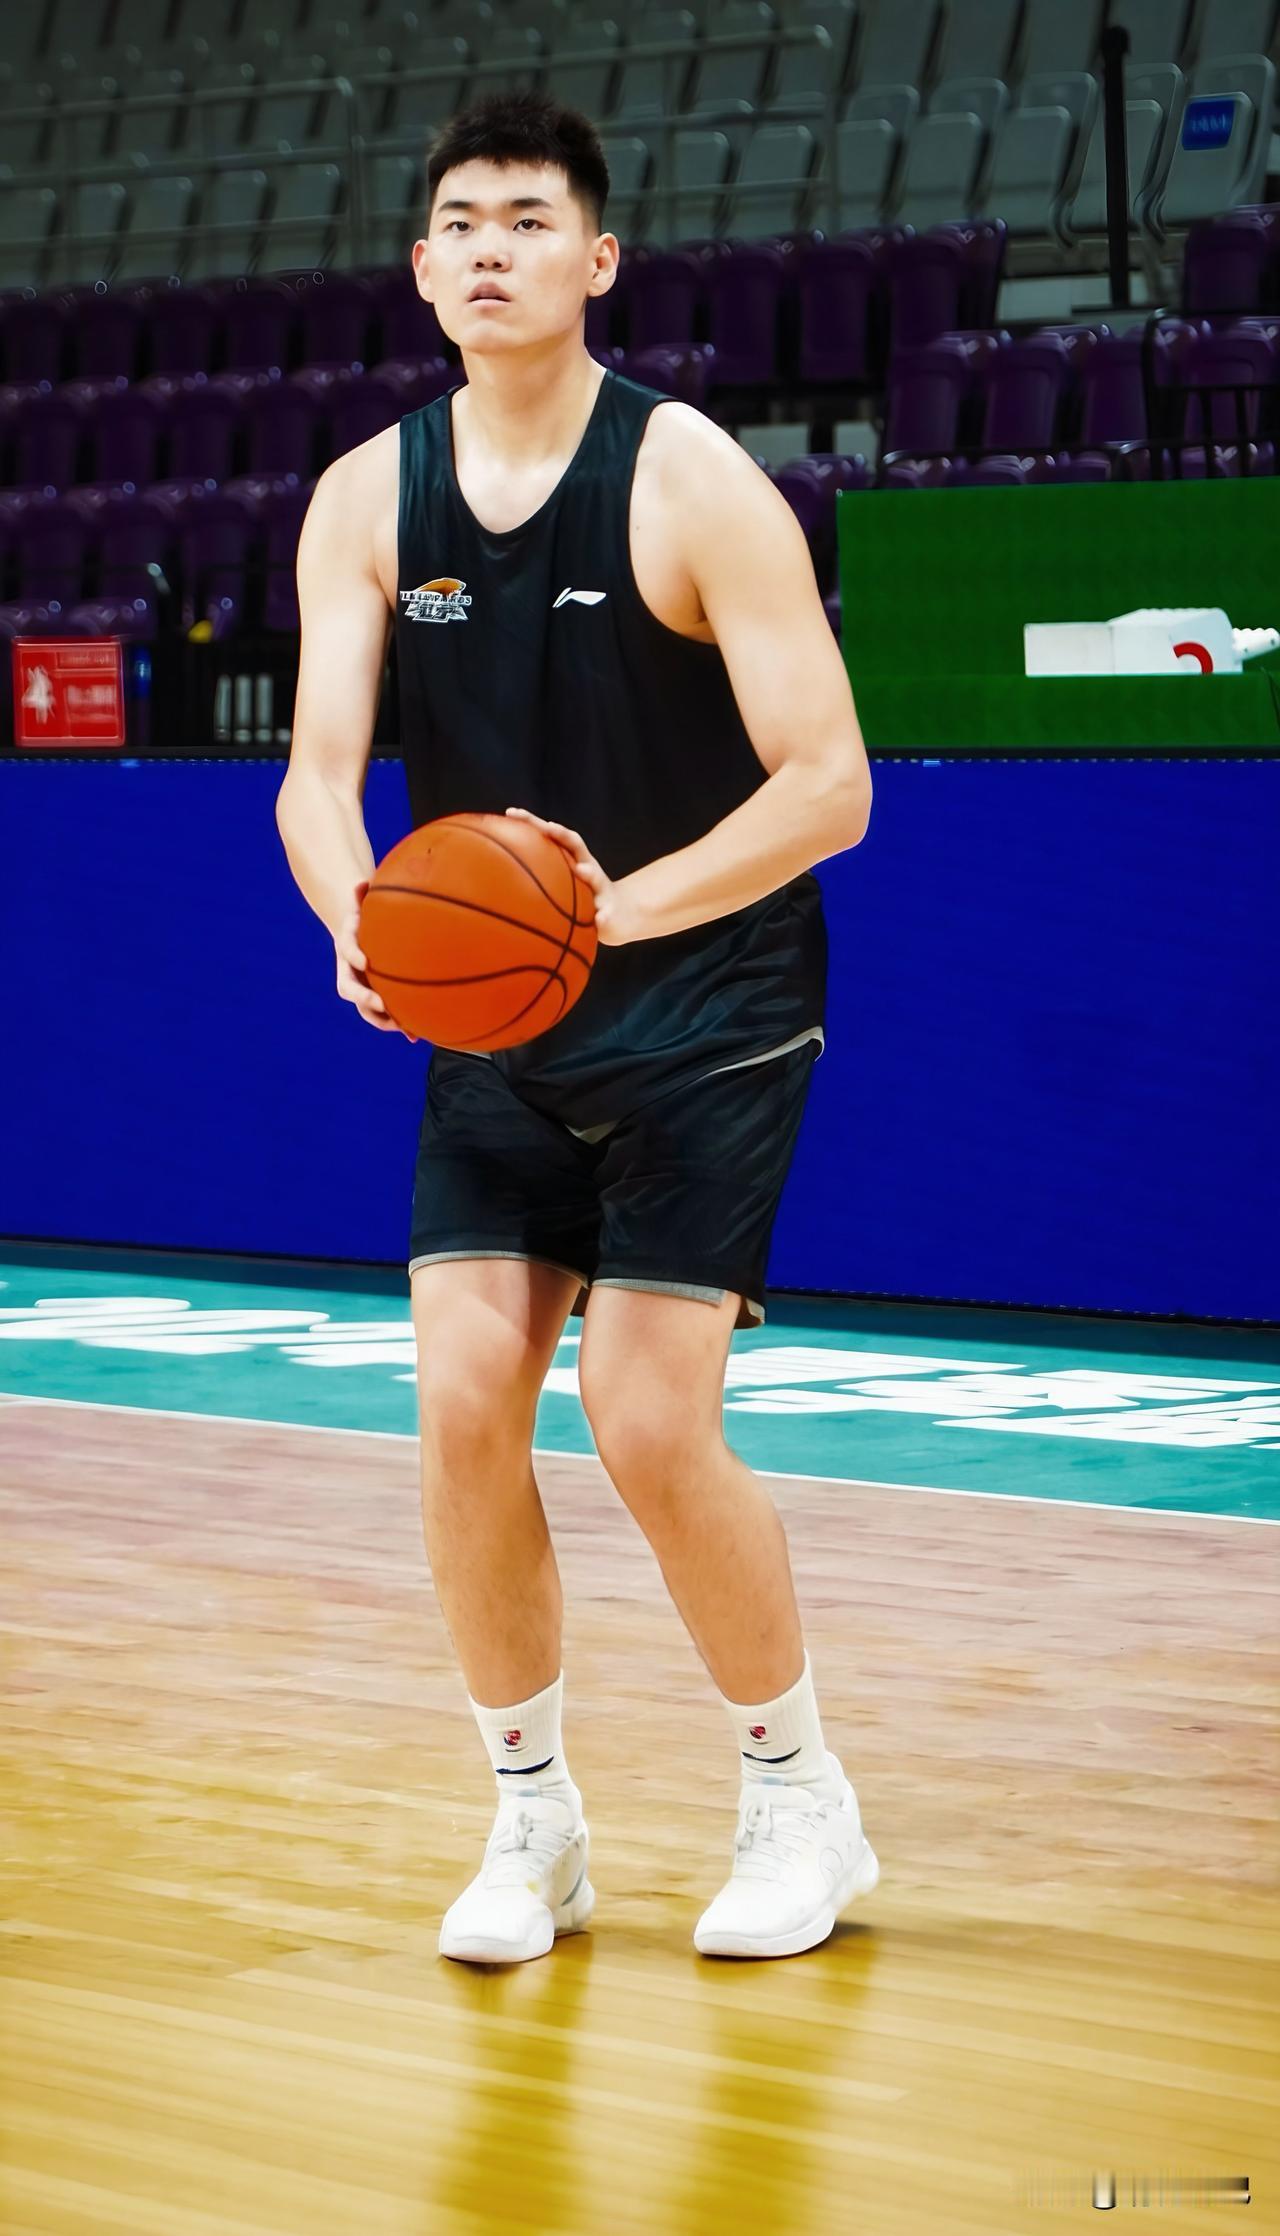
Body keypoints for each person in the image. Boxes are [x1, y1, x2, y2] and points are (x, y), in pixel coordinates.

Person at [276, 91, 878, 1964]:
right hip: (506, 1020)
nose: (491, 248)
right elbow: (315, 778)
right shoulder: (366, 496)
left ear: (597, 259)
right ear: (420, 266)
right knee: (464, 1409)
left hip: (710, 1004)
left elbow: (832, 784)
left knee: (642, 1416)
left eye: (530, 221)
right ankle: (534, 1820)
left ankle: (800, 1797)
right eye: (461, 221)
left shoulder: (691, 479)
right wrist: (357, 918)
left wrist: (613, 908)